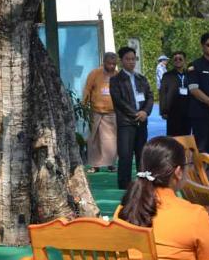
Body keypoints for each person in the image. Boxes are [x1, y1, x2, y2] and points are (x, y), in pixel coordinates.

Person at [109, 46, 154, 189]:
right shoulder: (116, 80)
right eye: (128, 59)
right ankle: (124, 184)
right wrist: (136, 114)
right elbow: (118, 101)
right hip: (126, 122)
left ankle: (143, 183)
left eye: (133, 59)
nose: (131, 62)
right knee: (125, 155)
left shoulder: (141, 78)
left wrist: (145, 112)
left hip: (142, 121)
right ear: (121, 61)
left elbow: (150, 96)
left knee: (142, 154)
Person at [81, 51, 119, 174]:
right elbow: (87, 89)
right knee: (94, 139)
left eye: (114, 64)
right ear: (104, 62)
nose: (112, 66)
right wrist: (84, 104)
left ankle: (110, 164)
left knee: (111, 140)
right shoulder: (95, 73)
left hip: (112, 112)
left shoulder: (117, 75)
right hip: (96, 111)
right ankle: (94, 165)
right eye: (109, 63)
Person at [158, 50, 190, 137]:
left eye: (180, 59)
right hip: (172, 112)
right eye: (175, 59)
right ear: (173, 61)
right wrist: (163, 111)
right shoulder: (167, 75)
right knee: (173, 138)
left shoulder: (189, 74)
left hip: (187, 111)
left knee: (186, 137)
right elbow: (162, 93)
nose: (178, 61)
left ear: (184, 61)